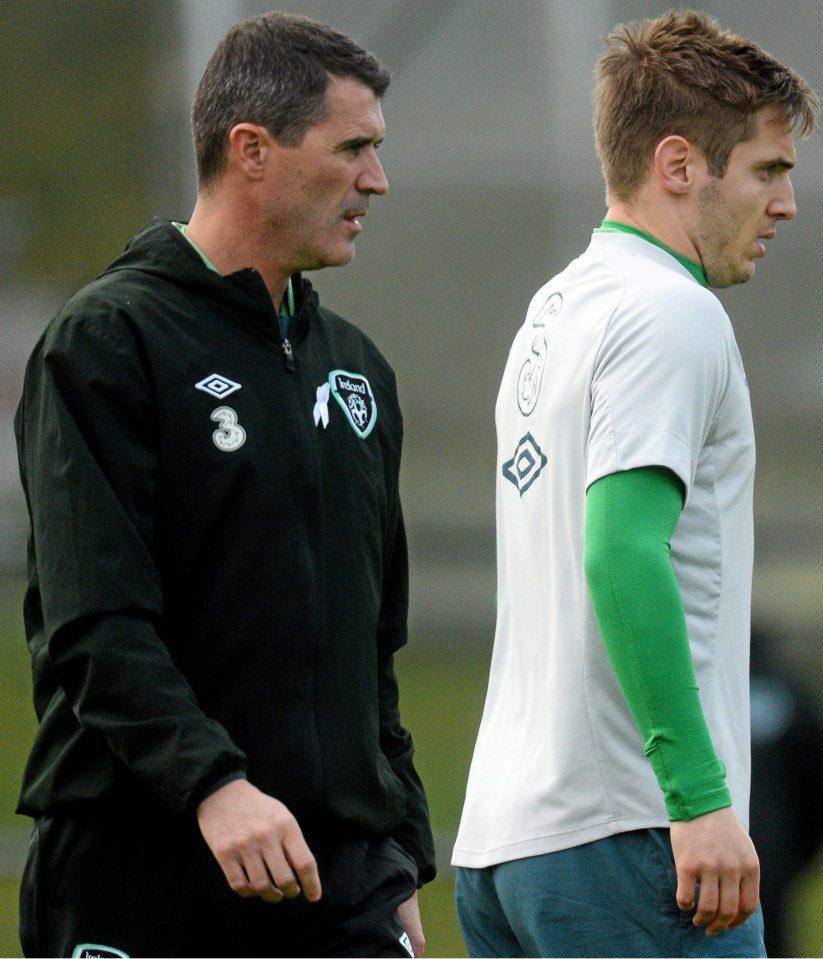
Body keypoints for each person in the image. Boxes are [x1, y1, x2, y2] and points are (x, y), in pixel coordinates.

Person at [14, 11, 435, 958]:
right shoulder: (108, 343)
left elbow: (373, 645)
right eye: (353, 148)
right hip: (142, 870)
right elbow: (97, 625)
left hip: (336, 879)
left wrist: (397, 842)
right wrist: (214, 786)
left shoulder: (356, 370)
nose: (377, 179)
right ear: (252, 150)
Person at [452, 10, 817, 958]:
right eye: (768, 170)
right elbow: (619, 552)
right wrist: (698, 798)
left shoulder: (555, 310)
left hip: (506, 843)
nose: (785, 203)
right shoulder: (670, 313)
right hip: (636, 841)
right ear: (678, 164)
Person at [748, 624, 823, 958]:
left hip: (684, 851)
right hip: (775, 848)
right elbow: (813, 773)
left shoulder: (685, 693)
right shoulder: (787, 691)